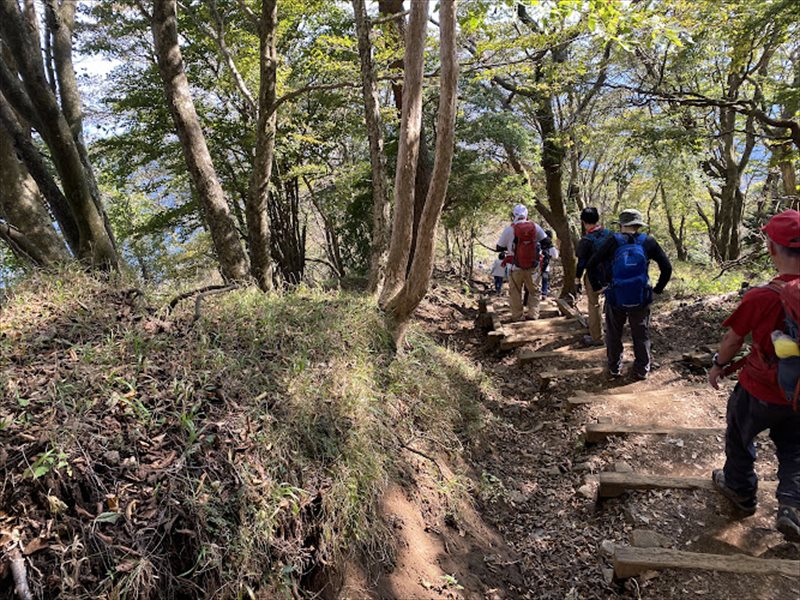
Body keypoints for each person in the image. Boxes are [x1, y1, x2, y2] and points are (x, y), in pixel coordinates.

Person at [708, 209, 800, 542]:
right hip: (798, 393)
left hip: (759, 388)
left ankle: (741, 491)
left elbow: (733, 340)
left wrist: (718, 364)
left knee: (740, 435)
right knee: (794, 448)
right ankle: (792, 505)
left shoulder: (761, 296)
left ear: (772, 248)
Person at [586, 208, 672, 380]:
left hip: (615, 295)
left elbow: (591, 264)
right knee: (641, 333)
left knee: (614, 333)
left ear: (621, 225)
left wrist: (598, 287)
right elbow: (667, 268)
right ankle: (642, 370)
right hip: (641, 296)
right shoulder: (648, 241)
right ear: (638, 225)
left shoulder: (613, 241)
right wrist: (657, 290)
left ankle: (614, 368)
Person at [496, 204, 547, 321]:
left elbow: (499, 247)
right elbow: (546, 241)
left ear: (514, 215)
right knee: (534, 291)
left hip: (515, 267)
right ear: (527, 214)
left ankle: (517, 316)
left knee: (515, 292)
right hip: (533, 267)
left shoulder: (509, 229)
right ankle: (533, 314)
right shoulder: (535, 227)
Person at [575, 207, 612, 347]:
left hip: (593, 277)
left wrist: (577, 279)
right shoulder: (609, 234)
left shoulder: (586, 240)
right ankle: (614, 333)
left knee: (594, 305)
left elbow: (581, 263)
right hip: (610, 275)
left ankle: (597, 337)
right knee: (611, 303)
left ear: (584, 222)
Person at [540, 230, 559, 299]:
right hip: (545, 265)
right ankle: (544, 293)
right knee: (545, 278)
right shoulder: (550, 245)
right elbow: (555, 256)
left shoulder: (538, 242)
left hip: (535, 265)